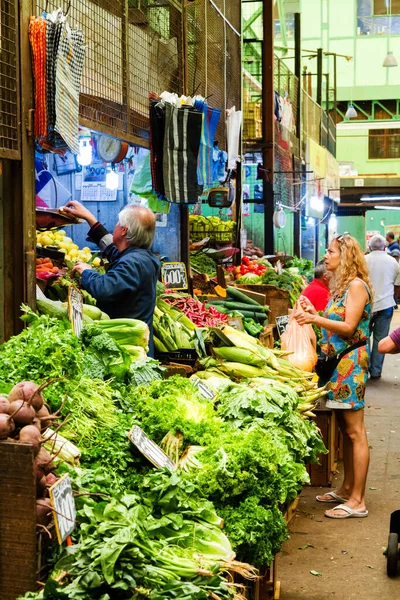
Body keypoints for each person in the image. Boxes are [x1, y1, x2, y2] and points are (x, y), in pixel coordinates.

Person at [295, 234, 372, 520]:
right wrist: (314, 312)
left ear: (346, 255)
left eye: (330, 251)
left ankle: (358, 501)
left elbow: (350, 326)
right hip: (339, 365)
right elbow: (335, 323)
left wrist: (315, 319)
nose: (325, 256)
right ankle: (347, 488)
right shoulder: (340, 287)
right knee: (344, 431)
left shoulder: (356, 286)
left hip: (350, 365)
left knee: (355, 432)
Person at [62, 200, 160, 355]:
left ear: (123, 230)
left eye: (117, 223)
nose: (114, 226)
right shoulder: (141, 257)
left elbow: (104, 288)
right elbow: (112, 250)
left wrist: (87, 272)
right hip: (135, 344)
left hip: (129, 349)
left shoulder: (132, 263)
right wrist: (89, 217)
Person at [365, 234, 400, 379]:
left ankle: (363, 370)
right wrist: (392, 298)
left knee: (363, 338)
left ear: (369, 247)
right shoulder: (393, 262)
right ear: (385, 247)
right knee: (381, 339)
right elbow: (397, 286)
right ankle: (376, 372)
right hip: (385, 306)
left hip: (365, 306)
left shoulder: (363, 260)